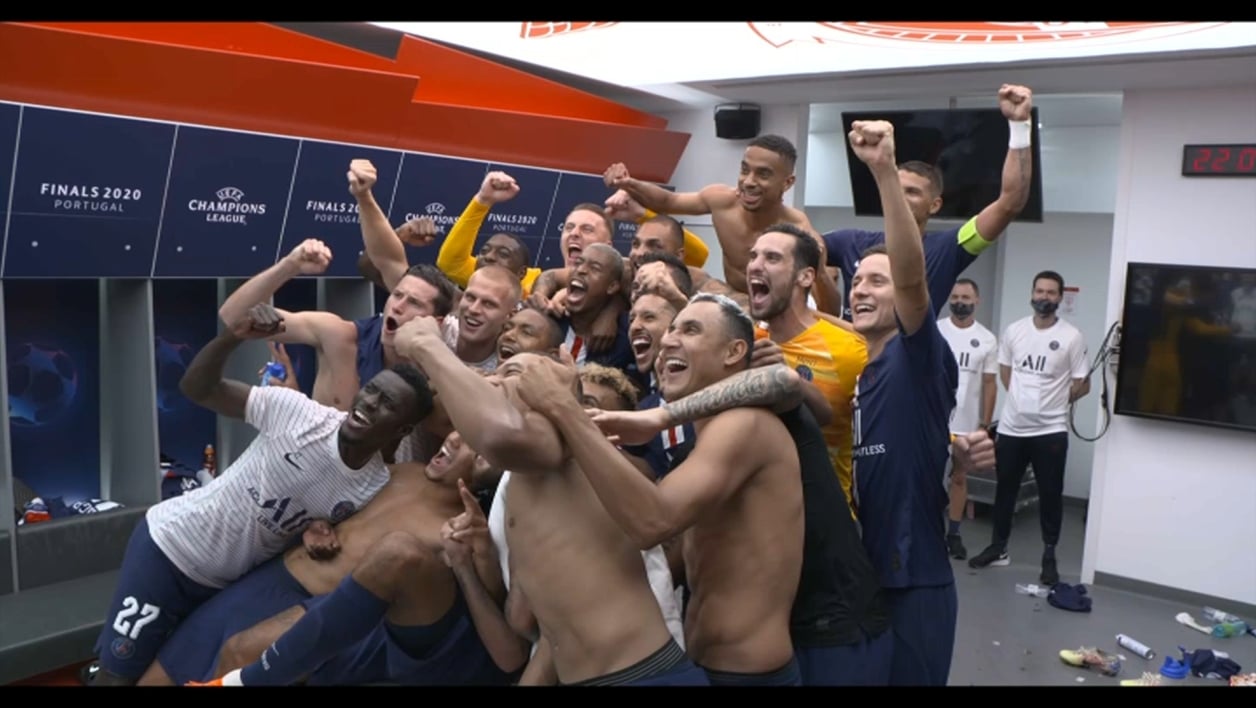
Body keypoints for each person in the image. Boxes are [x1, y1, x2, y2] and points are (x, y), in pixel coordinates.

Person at [89, 303, 434, 686]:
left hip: (225, 583)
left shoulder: (372, 484)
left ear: (403, 430)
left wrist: (319, 532)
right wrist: (232, 338)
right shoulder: (298, 415)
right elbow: (197, 388)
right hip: (170, 551)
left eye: (387, 405)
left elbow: (320, 525)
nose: (369, 404)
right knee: (116, 677)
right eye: (371, 392)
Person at [392, 316, 707, 686]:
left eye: (514, 373)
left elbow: (500, 434)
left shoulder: (558, 446)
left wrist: (426, 344)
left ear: (554, 397)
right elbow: (546, 630)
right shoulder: (523, 479)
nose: (492, 380)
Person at [515, 294, 806, 686]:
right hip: (707, 661)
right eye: (671, 329)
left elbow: (653, 521)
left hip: (748, 674)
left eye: (690, 330)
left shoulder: (745, 424)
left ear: (735, 351)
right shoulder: (701, 438)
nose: (669, 340)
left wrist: (563, 410)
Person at [165, 430, 514, 687]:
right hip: (336, 600)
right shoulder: (405, 471)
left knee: (400, 553)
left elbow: (502, 627)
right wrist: (322, 523)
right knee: (240, 649)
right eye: (460, 428)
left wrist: (473, 556)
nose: (454, 438)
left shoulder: (482, 521)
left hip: (423, 636)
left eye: (472, 440)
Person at [844, 119, 962, 686]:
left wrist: (885, 173)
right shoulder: (854, 367)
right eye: (857, 280)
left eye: (877, 281)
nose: (861, 289)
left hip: (914, 578)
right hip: (858, 577)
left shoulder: (916, 356)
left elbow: (914, 283)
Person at [822, 84, 1036, 321]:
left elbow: (1010, 202)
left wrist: (1019, 126)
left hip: (910, 356)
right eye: (896, 189)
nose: (901, 198)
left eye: (912, 192)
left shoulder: (948, 247)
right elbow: (795, 249)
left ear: (934, 205)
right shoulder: (850, 241)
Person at [605, 134, 843, 314]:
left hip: (774, 314)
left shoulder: (799, 232)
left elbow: (827, 312)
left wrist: (821, 272)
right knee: (669, 273)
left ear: (788, 183)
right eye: (744, 170)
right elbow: (668, 201)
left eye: (763, 174)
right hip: (730, 301)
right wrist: (628, 183)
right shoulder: (722, 200)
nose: (748, 181)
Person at [218, 238, 457, 413]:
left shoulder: (441, 370)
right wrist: (290, 265)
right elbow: (233, 315)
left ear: (435, 322)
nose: (397, 307)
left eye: (413, 302)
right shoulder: (339, 336)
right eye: (396, 295)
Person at [969, 271, 1091, 586]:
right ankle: (998, 547)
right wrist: (1021, 400)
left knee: (1051, 494)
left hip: (1050, 431)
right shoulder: (1015, 331)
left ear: (1060, 298)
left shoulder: (1071, 336)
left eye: (1051, 292)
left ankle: (1049, 555)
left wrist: (1057, 400)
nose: (1044, 297)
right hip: (1011, 429)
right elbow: (1006, 372)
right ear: (1032, 293)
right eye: (1039, 290)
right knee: (1005, 489)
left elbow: (1083, 383)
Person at [747, 224, 867, 509]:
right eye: (753, 256)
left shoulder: (848, 351)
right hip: (758, 517)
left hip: (825, 518)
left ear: (805, 277)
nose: (755, 266)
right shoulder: (745, 343)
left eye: (772, 258)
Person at [937, 278, 999, 560]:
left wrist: (984, 425)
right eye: (955, 296)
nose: (960, 301)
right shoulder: (936, 331)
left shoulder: (986, 339)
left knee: (959, 479)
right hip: (934, 422)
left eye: (965, 297)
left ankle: (954, 534)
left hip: (966, 426)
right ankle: (926, 531)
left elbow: (989, 384)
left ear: (977, 301)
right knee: (926, 479)